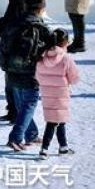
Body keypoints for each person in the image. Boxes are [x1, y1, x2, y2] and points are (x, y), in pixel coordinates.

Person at [0, 0, 51, 152]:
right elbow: (52, 52)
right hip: (32, 73)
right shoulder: (42, 28)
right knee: (29, 104)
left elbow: (3, 47)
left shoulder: (13, 24)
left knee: (22, 104)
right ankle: (16, 138)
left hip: (12, 70)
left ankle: (32, 134)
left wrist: (5, 67)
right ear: (42, 9)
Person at [35, 28, 80, 159]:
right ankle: (44, 149)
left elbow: (38, 76)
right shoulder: (66, 59)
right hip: (61, 95)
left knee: (57, 120)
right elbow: (75, 78)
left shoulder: (41, 57)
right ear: (64, 42)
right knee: (55, 122)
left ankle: (63, 147)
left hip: (47, 94)